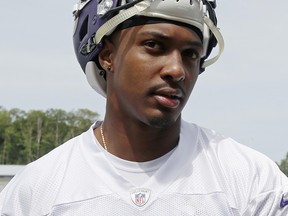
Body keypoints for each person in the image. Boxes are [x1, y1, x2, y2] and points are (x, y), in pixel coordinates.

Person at [1, 0, 288, 215]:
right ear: (107, 55)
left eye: (190, 54)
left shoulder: (251, 177)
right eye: (154, 45)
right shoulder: (37, 189)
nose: (177, 70)